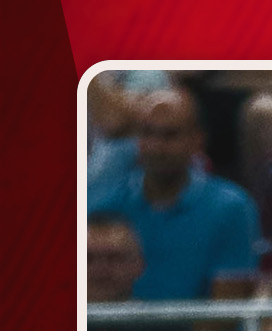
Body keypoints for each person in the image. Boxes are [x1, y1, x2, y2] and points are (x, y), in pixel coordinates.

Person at [87, 87, 261, 302]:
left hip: (200, 325)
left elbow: (227, 310)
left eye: (169, 135)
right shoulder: (103, 206)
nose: (156, 146)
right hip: (118, 325)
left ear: (197, 140)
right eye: (147, 133)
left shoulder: (231, 208)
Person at [86, 214, 184, 331]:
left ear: (139, 265)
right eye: (87, 258)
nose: (100, 270)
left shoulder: (162, 328)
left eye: (114, 258)